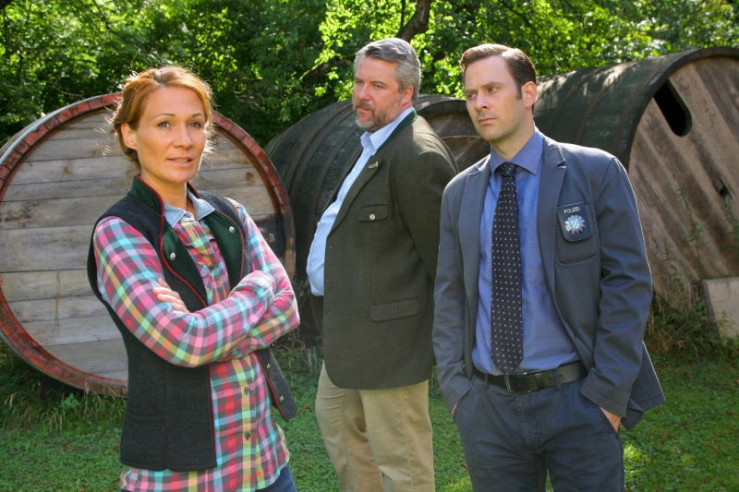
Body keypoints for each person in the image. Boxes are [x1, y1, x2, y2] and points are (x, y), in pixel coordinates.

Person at [432, 44, 665, 491]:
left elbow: (628, 283)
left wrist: (607, 395)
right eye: (471, 94)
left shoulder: (594, 173)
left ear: (528, 93)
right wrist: (459, 392)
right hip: (488, 412)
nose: (479, 103)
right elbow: (449, 294)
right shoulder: (458, 193)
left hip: (579, 401)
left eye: (492, 89)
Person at [87, 66, 299, 491]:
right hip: (183, 478)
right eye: (164, 124)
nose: (184, 140)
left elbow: (288, 310)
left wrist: (205, 335)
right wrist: (258, 287)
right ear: (130, 135)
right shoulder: (120, 231)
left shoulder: (231, 214)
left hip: (266, 465)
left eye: (195, 124)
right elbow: (185, 342)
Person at [306, 38, 457, 491]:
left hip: (392, 345)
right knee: (335, 419)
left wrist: (445, 347)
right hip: (350, 334)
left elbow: (445, 263)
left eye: (377, 86)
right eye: (359, 82)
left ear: (406, 94)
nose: (362, 95)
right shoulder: (375, 142)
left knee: (402, 462)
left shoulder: (417, 155)